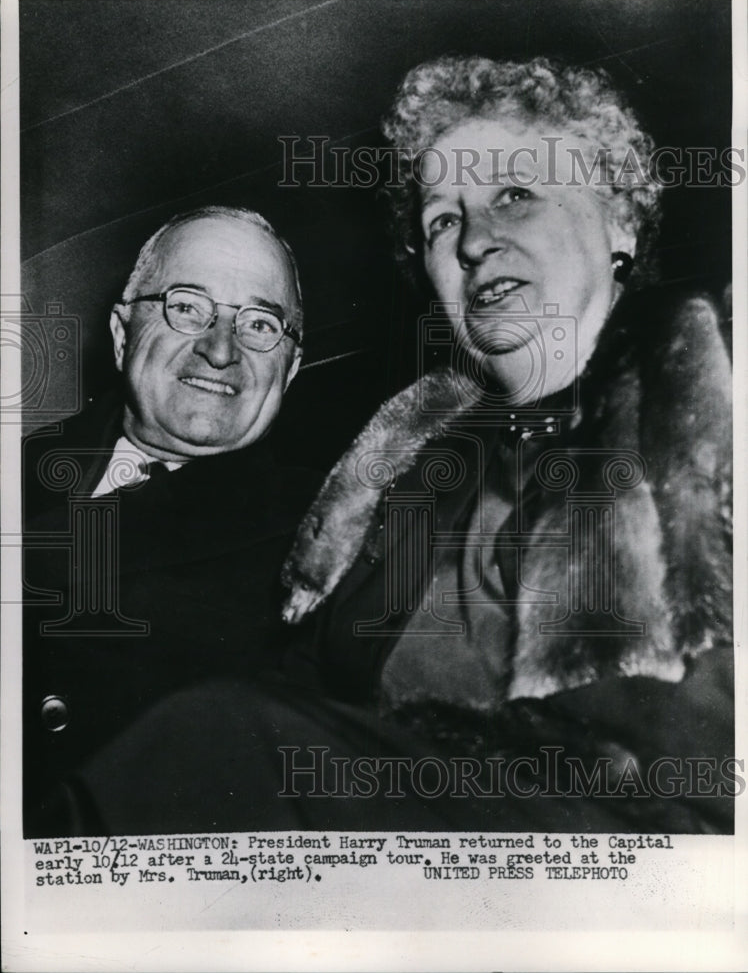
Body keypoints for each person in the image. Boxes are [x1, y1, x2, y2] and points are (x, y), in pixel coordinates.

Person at [280, 56, 734, 832]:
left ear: (618, 222)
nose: (473, 240)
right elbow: (304, 694)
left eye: (514, 195)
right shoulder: (397, 466)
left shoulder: (722, 371)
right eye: (442, 220)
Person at [23, 206, 319, 835]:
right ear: (122, 331)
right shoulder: (16, 474)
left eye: (261, 323)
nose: (219, 349)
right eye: (188, 307)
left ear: (289, 370)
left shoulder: (326, 549)